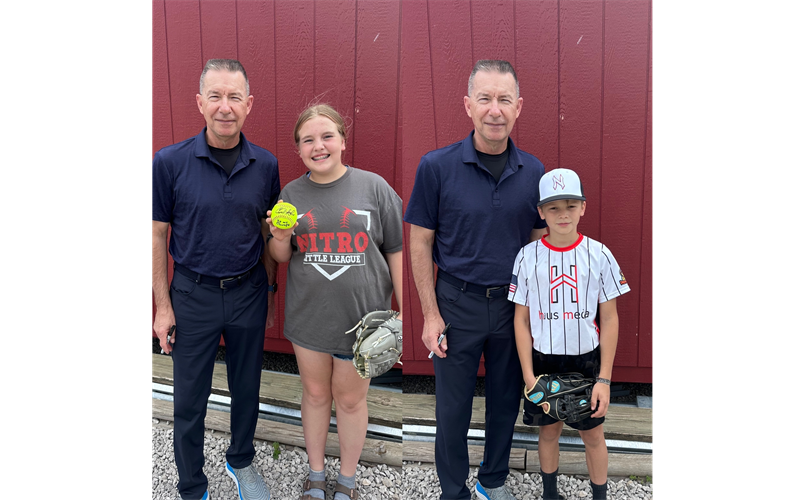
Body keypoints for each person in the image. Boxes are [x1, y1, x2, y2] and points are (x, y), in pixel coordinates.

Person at [404, 60, 548, 500]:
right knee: (452, 409)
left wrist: (538, 316)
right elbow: (420, 243)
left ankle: (492, 482)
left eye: (504, 99)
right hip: (455, 304)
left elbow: (540, 245)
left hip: (512, 307)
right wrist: (430, 315)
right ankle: (454, 490)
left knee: (506, 401)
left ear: (518, 107)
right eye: (485, 98)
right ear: (468, 105)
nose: (494, 109)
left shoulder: (535, 172)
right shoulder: (436, 167)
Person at [152, 58, 279, 500]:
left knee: (248, 387)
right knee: (189, 400)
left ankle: (240, 461)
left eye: (234, 97)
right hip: (192, 293)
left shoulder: (265, 164)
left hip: (247, 292)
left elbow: (267, 229)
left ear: (249, 104)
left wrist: (269, 285)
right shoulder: (169, 162)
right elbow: (157, 233)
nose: (225, 107)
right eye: (215, 96)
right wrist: (163, 305)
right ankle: (191, 486)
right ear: (200, 103)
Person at [267, 104, 403, 500]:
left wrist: (402, 315)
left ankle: (346, 482)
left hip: (366, 323)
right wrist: (278, 234)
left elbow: (395, 249)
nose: (319, 145)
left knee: (350, 399)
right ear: (298, 149)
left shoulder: (374, 187)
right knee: (314, 395)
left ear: (343, 140)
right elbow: (281, 255)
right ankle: (315, 475)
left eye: (327, 136)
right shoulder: (291, 193)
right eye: (308, 140)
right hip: (309, 318)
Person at [508, 168, 631, 500]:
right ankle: (550, 495)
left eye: (570, 205)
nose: (563, 214)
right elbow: (520, 320)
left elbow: (610, 318)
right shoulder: (527, 257)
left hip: (586, 359)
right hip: (544, 359)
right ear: (541, 212)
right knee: (548, 433)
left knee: (593, 435)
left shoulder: (600, 255)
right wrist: (529, 376)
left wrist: (604, 379)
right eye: (553, 207)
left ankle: (600, 497)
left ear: (583, 207)